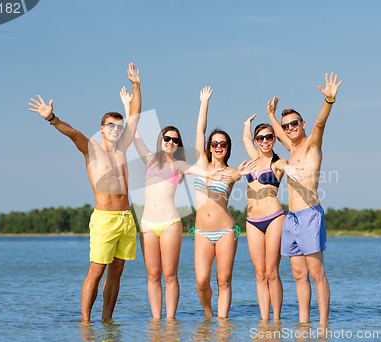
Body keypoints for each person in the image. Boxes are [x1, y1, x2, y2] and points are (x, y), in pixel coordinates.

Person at [28, 63, 141, 325]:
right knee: (97, 270)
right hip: (104, 219)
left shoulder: (123, 148)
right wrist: (51, 118)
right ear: (101, 128)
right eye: (110, 125)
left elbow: (135, 115)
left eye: (118, 126)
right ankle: (86, 323)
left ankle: (107, 320)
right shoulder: (91, 148)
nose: (115, 129)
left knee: (117, 272)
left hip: (126, 218)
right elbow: (72, 132)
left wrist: (137, 85)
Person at [125, 97, 223, 320]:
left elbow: (198, 171)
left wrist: (212, 174)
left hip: (170, 223)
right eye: (167, 138)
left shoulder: (178, 165)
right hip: (147, 225)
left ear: (178, 144)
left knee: (169, 275)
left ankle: (170, 321)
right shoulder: (149, 160)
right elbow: (135, 134)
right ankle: (156, 321)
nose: (170, 142)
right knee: (153, 275)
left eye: (175, 140)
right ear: (161, 140)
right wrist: (127, 104)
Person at [267, 72, 342, 325]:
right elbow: (277, 132)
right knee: (298, 275)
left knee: (316, 273)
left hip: (310, 214)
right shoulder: (291, 147)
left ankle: (322, 326)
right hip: (292, 218)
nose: (289, 128)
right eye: (286, 125)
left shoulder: (311, 144)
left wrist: (329, 101)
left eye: (294, 124)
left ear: (303, 123)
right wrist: (270, 116)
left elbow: (320, 124)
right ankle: (304, 325)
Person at [193, 86, 256, 318]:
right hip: (201, 232)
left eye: (223, 144)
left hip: (226, 231)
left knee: (224, 280)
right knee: (201, 281)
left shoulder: (231, 172)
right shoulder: (200, 164)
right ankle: (209, 312)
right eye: (215, 143)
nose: (218, 147)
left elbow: (238, 176)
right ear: (209, 147)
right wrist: (204, 103)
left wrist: (240, 173)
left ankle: (221, 324)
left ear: (227, 149)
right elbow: (200, 131)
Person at [242, 116, 289, 321]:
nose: (264, 141)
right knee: (260, 273)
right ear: (256, 140)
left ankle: (276, 320)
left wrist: (292, 169)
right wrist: (246, 125)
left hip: (274, 218)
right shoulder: (253, 159)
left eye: (268, 137)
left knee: (272, 272)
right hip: (252, 221)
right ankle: (264, 321)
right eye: (260, 138)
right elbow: (244, 139)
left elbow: (286, 167)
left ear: (274, 139)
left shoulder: (278, 163)